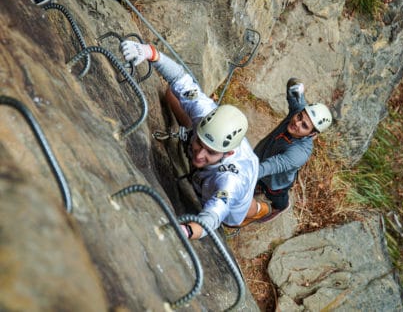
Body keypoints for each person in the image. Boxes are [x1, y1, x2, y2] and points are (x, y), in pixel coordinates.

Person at [121, 41, 272, 238]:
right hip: (219, 159)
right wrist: (150, 53)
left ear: (229, 153)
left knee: (241, 210)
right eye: (200, 143)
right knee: (172, 95)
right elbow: (180, 79)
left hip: (239, 186)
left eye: (210, 151)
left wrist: (188, 230)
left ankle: (264, 210)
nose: (199, 155)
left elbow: (212, 217)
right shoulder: (206, 114)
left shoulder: (230, 182)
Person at [253, 78, 333, 222]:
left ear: (312, 134)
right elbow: (292, 86)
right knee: (258, 179)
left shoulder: (300, 153)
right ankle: (258, 184)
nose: (296, 123)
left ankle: (280, 207)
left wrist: (246, 172)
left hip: (276, 181)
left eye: (304, 126)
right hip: (262, 157)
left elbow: (272, 165)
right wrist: (296, 86)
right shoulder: (298, 111)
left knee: (275, 194)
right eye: (299, 116)